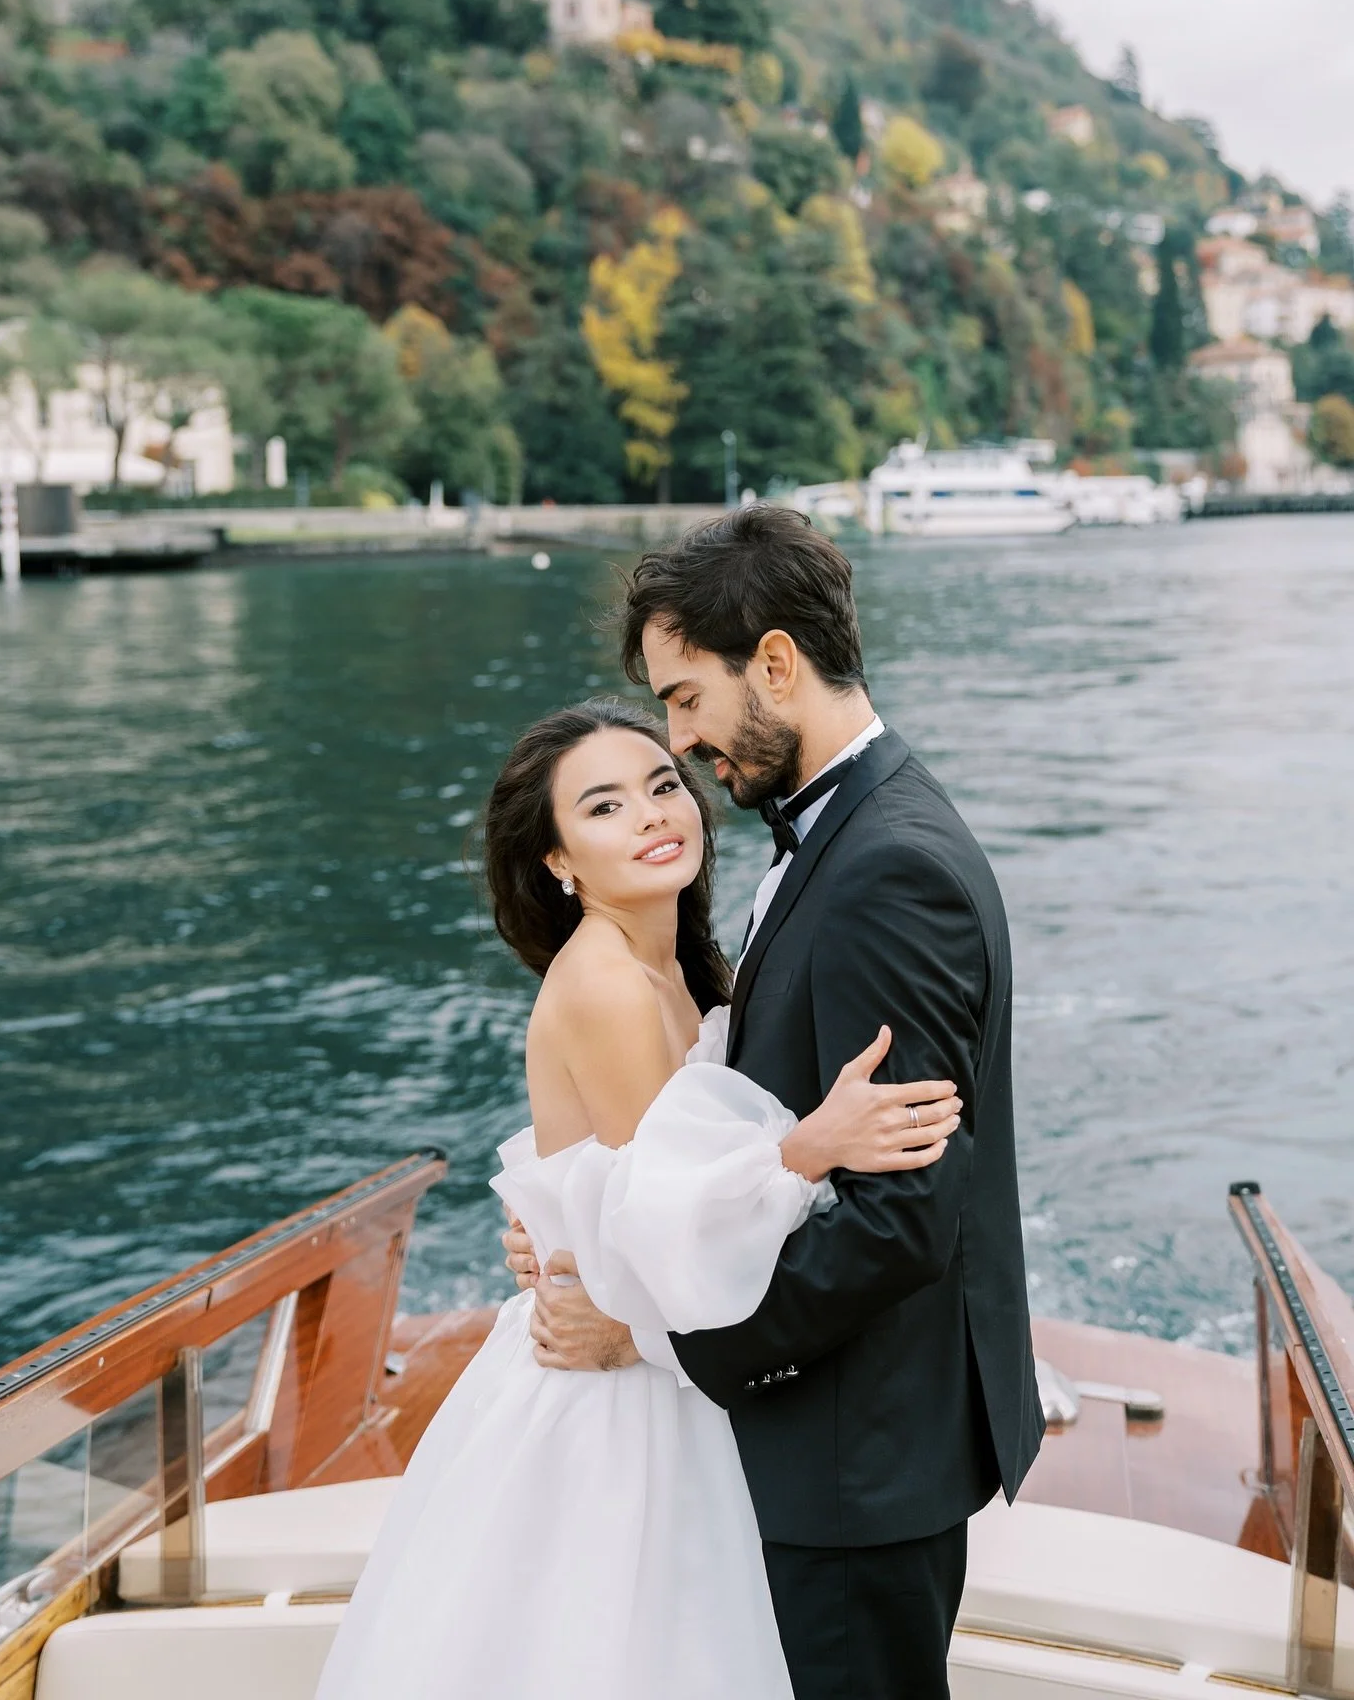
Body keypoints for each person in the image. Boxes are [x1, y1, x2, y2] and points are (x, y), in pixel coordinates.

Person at [315, 697, 962, 1700]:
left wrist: (552, 1215)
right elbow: (670, 1220)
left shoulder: (679, 968)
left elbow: (624, 1175)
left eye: (663, 786)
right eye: (606, 807)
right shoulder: (610, 986)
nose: (655, 816)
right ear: (558, 861)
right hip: (613, 1394)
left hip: (654, 1358)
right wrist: (809, 1147)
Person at [505, 505, 1044, 1700]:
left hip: (851, 1459)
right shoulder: (843, 835)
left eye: (687, 698)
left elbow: (899, 1222)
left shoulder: (886, 870)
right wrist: (573, 1214)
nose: (681, 741)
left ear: (778, 665)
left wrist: (653, 1340)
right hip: (828, 1443)